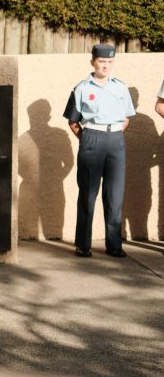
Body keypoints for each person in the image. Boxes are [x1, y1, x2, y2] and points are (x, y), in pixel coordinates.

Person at [63, 44, 135, 257]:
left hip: (115, 140)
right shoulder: (82, 88)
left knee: (114, 196)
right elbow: (73, 122)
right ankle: (83, 245)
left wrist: (112, 133)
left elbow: (127, 117)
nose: (106, 65)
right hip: (91, 139)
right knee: (88, 194)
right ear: (92, 61)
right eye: (102, 61)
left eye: (110, 62)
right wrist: (87, 139)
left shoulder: (121, 88)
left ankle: (114, 245)